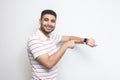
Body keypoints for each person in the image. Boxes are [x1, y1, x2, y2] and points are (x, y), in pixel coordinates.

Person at [27, 9, 96, 80]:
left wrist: (85, 40)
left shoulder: (51, 36)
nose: (49, 23)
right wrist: (65, 46)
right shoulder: (34, 40)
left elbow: (69, 38)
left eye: (52, 21)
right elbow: (48, 63)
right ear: (40, 21)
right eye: (46, 20)